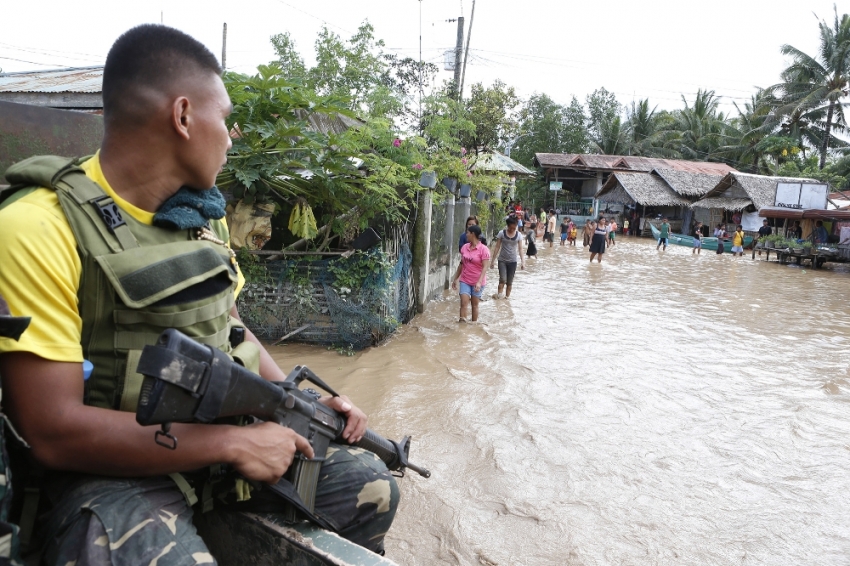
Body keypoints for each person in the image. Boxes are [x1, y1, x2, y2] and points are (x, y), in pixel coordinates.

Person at [0, 25, 398, 563]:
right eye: (226, 119)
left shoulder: (197, 224)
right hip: (111, 474)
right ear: (183, 116)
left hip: (214, 453)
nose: (231, 139)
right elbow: (54, 431)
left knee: (370, 487)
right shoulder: (38, 227)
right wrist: (232, 444)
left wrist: (300, 402)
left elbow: (232, 330)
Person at [451, 224, 490, 322]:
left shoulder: (484, 249)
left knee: (474, 305)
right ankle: (462, 327)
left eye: (467, 233)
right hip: (465, 280)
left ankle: (473, 325)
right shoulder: (464, 247)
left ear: (473, 234)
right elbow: (461, 264)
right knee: (464, 303)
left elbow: (485, 267)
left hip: (478, 281)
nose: (466, 235)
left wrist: (479, 282)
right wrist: (455, 279)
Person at [490, 216, 525, 300]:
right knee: (502, 280)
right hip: (502, 260)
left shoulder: (519, 235)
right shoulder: (501, 233)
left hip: (513, 261)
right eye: (510, 228)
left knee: (509, 283)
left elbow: (520, 249)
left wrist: (523, 262)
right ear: (507, 226)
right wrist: (492, 261)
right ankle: (499, 298)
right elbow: (497, 247)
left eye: (514, 228)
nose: (512, 229)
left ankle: (507, 300)